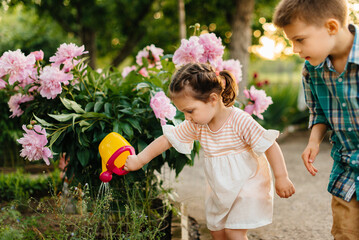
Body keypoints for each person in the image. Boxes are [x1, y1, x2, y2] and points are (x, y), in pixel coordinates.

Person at [124, 62, 295, 240]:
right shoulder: (197, 125)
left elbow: (270, 145)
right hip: (220, 189)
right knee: (217, 233)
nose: (186, 117)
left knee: (234, 233)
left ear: (213, 99)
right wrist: (139, 160)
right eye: (183, 112)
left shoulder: (239, 121)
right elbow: (167, 140)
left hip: (247, 184)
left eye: (190, 111)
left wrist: (281, 177)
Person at [273, 0, 359, 239]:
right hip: (347, 172)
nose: (294, 49)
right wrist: (313, 141)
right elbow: (319, 110)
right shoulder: (312, 70)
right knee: (345, 233)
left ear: (331, 27)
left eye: (299, 40)